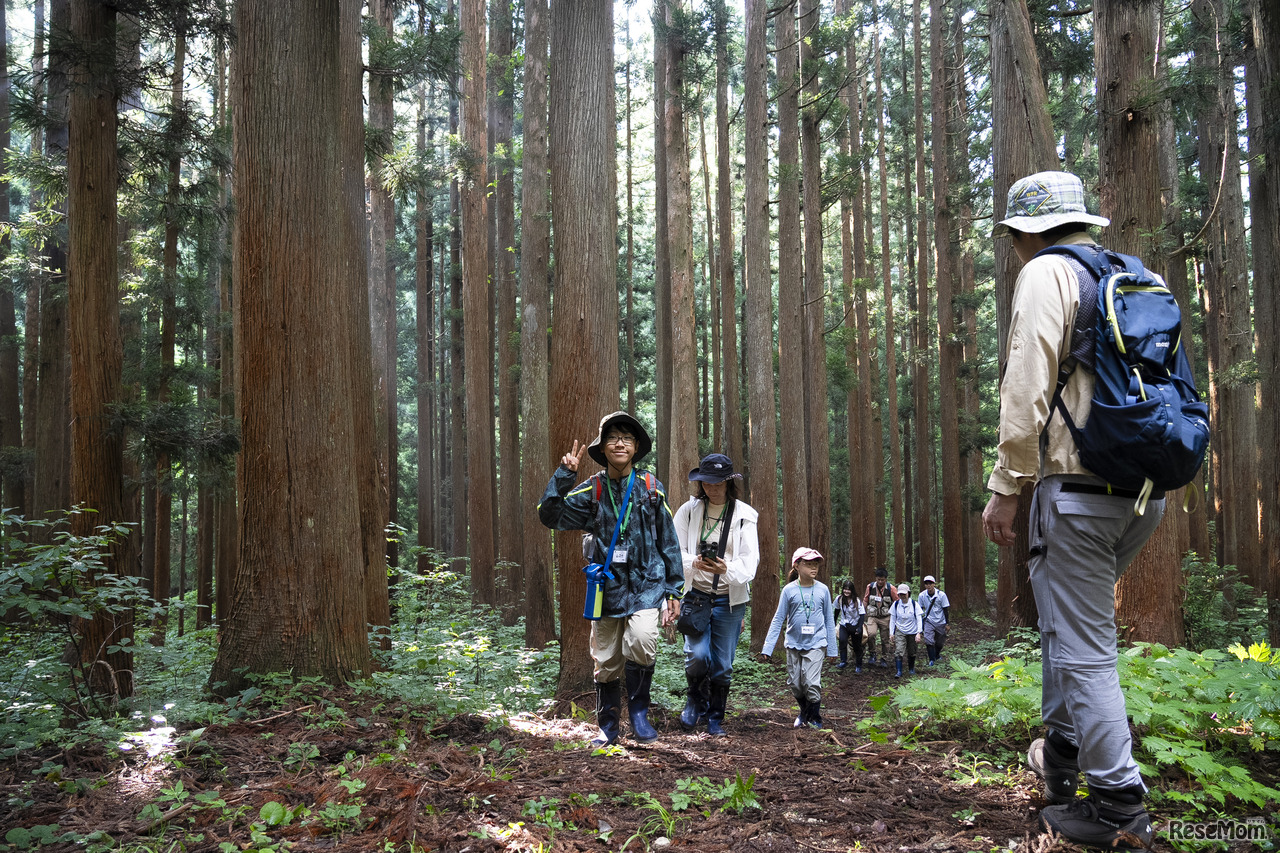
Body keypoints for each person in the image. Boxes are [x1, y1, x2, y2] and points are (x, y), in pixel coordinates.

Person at [983, 171, 1162, 848]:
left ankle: (1118, 804)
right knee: (1068, 623)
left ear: (1025, 234)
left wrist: (1008, 484)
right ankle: (1061, 752)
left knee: (1085, 646)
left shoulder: (1046, 273)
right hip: (1146, 491)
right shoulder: (1135, 274)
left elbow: (1026, 383)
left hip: (1079, 490)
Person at [538, 411, 684, 747]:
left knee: (643, 640)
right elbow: (549, 515)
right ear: (602, 447)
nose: (620, 443)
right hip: (607, 588)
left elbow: (669, 541)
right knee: (605, 660)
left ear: (635, 448)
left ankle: (639, 716)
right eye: (613, 438)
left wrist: (673, 589)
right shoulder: (593, 489)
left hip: (647, 584)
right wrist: (564, 475)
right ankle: (608, 727)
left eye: (627, 438)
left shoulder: (651, 488)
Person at [672, 454, 760, 736]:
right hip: (696, 596)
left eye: (718, 483)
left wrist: (727, 569)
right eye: (707, 483)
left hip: (729, 600)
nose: (712, 488)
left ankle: (715, 716)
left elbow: (750, 561)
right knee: (697, 655)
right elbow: (673, 552)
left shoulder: (745, 515)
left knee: (723, 664)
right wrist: (694, 562)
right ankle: (694, 702)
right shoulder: (688, 511)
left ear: (729, 483)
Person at [759, 548, 838, 729]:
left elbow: (829, 619)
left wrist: (832, 650)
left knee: (810, 682)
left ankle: (815, 717)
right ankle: (804, 712)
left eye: (815, 564)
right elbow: (778, 618)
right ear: (797, 566)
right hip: (794, 643)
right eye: (808, 564)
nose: (813, 568)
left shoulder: (823, 590)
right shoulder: (789, 590)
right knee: (796, 684)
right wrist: (767, 647)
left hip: (816, 643)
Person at [887, 583, 923, 678]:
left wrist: (918, 632)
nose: (902, 596)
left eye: (904, 594)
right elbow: (892, 619)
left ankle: (911, 668)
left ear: (908, 593)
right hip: (900, 630)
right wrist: (891, 633)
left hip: (912, 631)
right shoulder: (896, 605)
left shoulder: (914, 604)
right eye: (900, 594)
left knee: (912, 651)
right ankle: (899, 671)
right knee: (899, 650)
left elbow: (919, 619)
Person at [862, 567, 893, 667]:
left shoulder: (891, 588)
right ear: (876, 578)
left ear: (886, 579)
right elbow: (865, 600)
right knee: (870, 634)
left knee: (885, 639)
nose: (880, 582)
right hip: (873, 616)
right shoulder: (870, 587)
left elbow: (897, 602)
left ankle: (884, 658)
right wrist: (862, 613)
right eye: (878, 579)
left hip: (885, 617)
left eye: (882, 580)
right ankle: (872, 654)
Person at [918, 576, 950, 667]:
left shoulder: (941, 595)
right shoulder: (922, 595)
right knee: (928, 640)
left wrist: (947, 623)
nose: (928, 586)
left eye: (930, 584)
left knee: (940, 642)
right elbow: (920, 610)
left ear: (934, 584)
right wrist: (920, 625)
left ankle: (936, 655)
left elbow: (945, 609)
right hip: (929, 620)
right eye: (926, 584)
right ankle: (931, 660)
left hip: (941, 621)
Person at [835, 580, 865, 672]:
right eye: (845, 589)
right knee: (842, 641)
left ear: (852, 590)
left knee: (857, 646)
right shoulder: (839, 599)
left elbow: (862, 614)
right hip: (844, 624)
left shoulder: (857, 601)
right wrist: (834, 622)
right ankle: (843, 661)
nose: (846, 591)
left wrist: (859, 627)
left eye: (848, 589)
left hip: (855, 624)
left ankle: (858, 665)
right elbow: (837, 610)